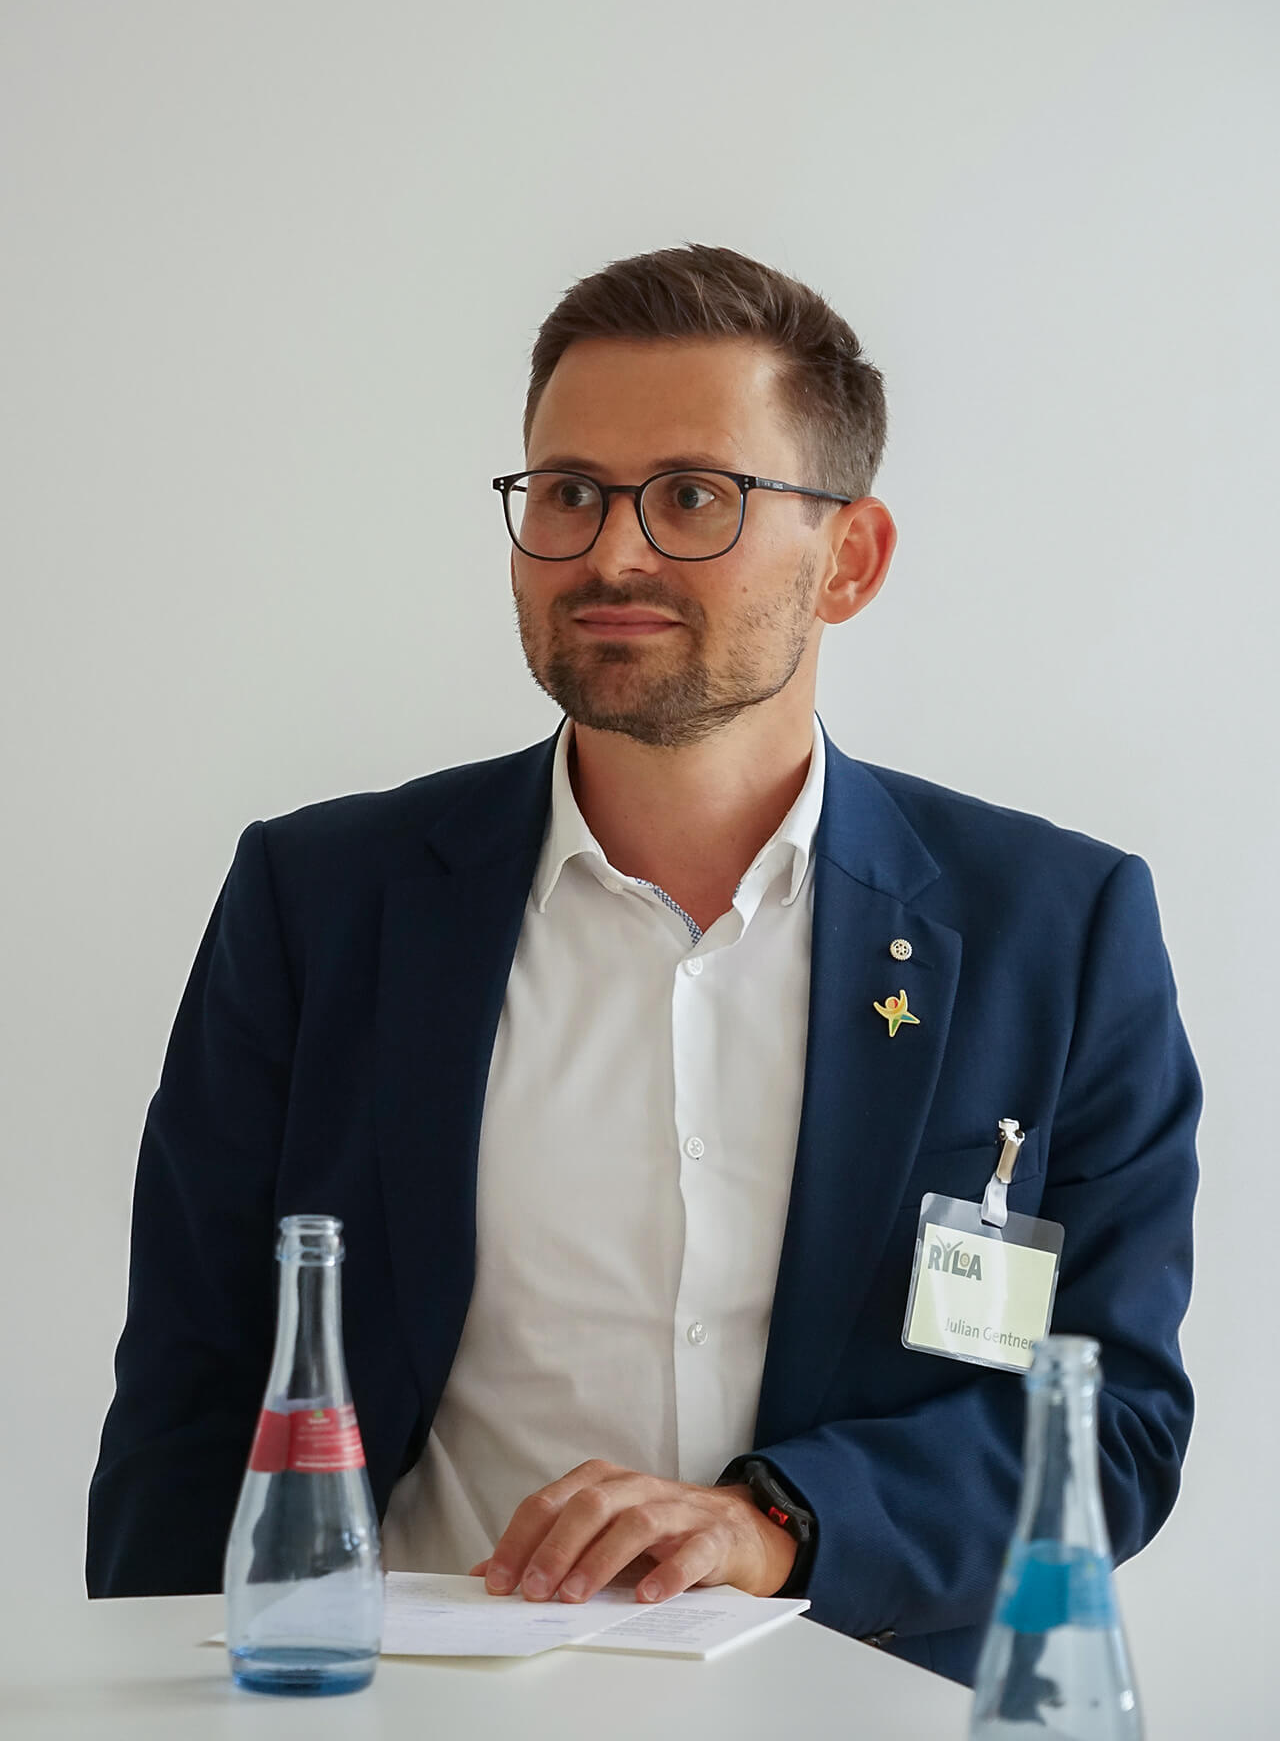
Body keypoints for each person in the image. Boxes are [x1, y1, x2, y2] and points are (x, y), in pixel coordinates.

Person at [86, 243, 1200, 1686]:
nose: (612, 554)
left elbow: (1111, 1430)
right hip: (396, 1711)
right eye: (568, 493)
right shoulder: (324, 901)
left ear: (850, 560)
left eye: (692, 496)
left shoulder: (1054, 927)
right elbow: (193, 1392)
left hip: (853, 1707)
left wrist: (771, 1522)